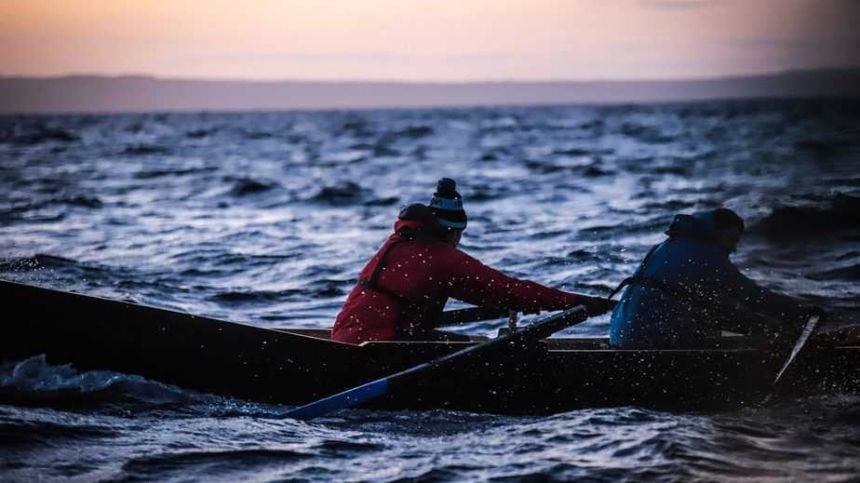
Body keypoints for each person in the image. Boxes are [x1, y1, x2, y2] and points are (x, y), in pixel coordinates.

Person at [331, 178, 612, 344]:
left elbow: (495, 297)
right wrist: (579, 302)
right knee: (482, 347)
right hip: (381, 348)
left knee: (471, 343)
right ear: (449, 231)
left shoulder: (398, 243)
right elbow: (510, 292)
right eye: (459, 234)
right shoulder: (440, 258)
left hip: (344, 340)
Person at [609, 208, 824, 348]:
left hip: (621, 335)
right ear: (715, 232)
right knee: (759, 333)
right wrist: (797, 311)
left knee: (734, 322)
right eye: (731, 239)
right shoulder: (704, 254)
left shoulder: (666, 247)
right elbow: (750, 296)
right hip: (650, 340)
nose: (734, 247)